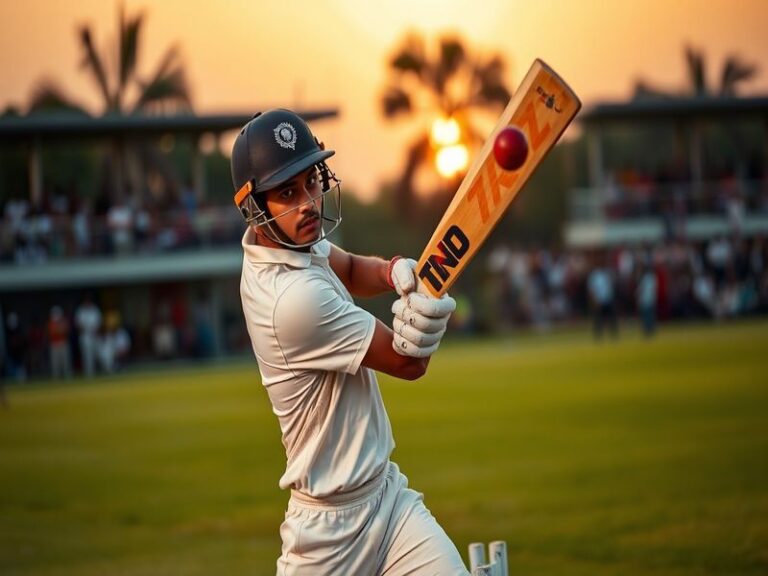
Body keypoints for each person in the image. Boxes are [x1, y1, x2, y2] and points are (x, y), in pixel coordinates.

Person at [232, 109, 467, 575]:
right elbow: (407, 363)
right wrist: (426, 319)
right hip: (326, 538)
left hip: (387, 501)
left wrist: (395, 269)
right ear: (254, 206)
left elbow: (354, 269)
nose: (309, 203)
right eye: (287, 193)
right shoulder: (291, 301)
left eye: (311, 182)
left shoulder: (289, 244)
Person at [75, 295, 102, 377]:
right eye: (86, 301)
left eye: (88, 301)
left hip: (94, 335)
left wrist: (95, 330)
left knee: (97, 354)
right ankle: (89, 373)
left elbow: (99, 322)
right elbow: (78, 324)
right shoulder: (80, 311)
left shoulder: (95, 309)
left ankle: (98, 371)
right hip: (85, 335)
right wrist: (85, 330)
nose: (87, 303)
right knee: (87, 355)